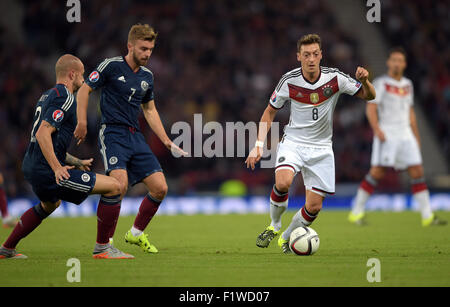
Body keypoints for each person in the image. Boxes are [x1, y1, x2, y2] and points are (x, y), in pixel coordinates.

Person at [245, 34, 376, 253]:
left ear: (321, 55)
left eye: (315, 54)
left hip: (322, 148)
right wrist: (258, 144)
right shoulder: (289, 80)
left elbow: (369, 96)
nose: (311, 59)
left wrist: (364, 81)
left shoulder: (335, 79)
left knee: (314, 206)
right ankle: (275, 225)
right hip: (294, 142)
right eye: (306, 55)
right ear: (299, 57)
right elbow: (269, 112)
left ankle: (286, 238)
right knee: (283, 182)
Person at [0, 54, 133, 259]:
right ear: (72, 74)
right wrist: (57, 168)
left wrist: (75, 161)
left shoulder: (47, 95)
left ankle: (6, 249)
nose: (84, 78)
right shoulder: (66, 97)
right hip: (46, 171)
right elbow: (42, 134)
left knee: (50, 204)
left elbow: (47, 141)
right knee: (115, 186)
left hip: (32, 166)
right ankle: (103, 249)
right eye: (81, 75)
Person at [74, 24, 187, 254]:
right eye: (143, 48)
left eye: (151, 49)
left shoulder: (147, 76)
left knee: (160, 188)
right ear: (130, 46)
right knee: (118, 185)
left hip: (135, 136)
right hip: (113, 133)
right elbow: (84, 89)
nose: (147, 54)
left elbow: (150, 110)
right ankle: (103, 246)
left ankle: (135, 233)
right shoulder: (111, 66)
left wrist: (166, 140)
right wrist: (82, 121)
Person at [348, 48, 447, 227]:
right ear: (388, 63)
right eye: (393, 60)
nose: (396, 63)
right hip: (388, 132)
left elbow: (410, 112)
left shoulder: (408, 84)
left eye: (399, 60)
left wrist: (416, 136)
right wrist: (377, 129)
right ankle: (356, 211)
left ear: (404, 64)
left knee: (417, 171)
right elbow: (371, 107)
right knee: (377, 173)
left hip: (405, 133)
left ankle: (427, 216)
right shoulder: (380, 83)